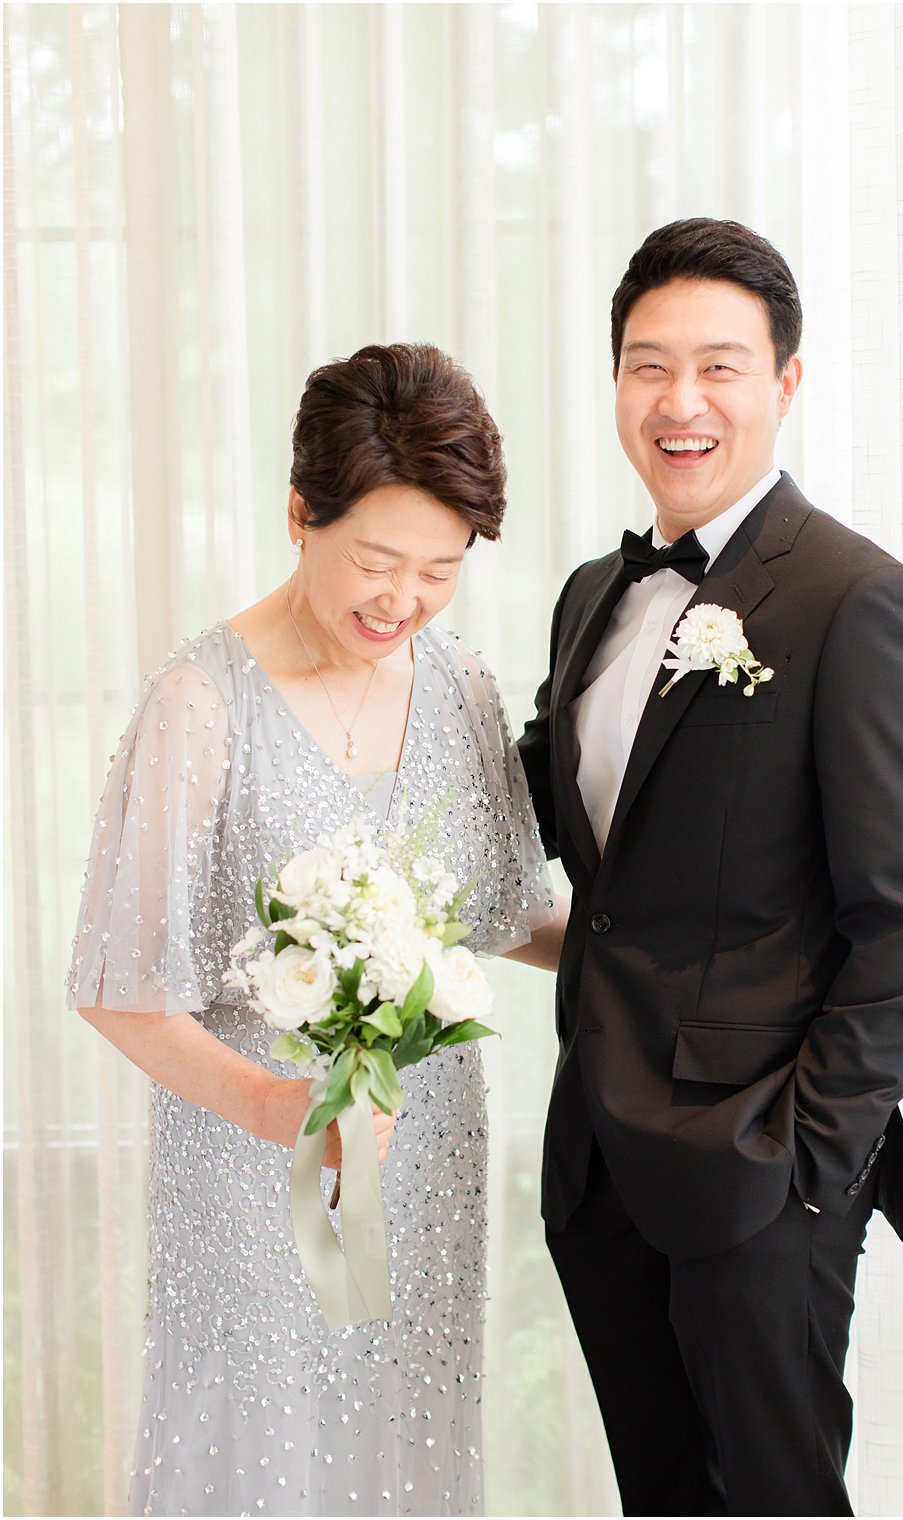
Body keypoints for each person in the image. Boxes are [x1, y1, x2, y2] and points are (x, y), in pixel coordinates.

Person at [516, 218, 903, 1517]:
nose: (679, 399)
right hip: (597, 1162)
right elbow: (560, 820)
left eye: (718, 364)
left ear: (785, 380)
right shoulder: (590, 593)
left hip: (758, 1177)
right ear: (613, 387)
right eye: (647, 365)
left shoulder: (850, 600)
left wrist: (803, 1168)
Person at [68, 343, 558, 1518]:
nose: (402, 602)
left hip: (425, 1161)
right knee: (260, 1448)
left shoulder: (461, 687)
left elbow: (512, 907)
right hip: (254, 1172)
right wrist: (284, 1109)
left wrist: (677, 964)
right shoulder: (203, 702)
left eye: (438, 571)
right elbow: (117, 984)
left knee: (406, 1440)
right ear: (300, 513)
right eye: (375, 560)